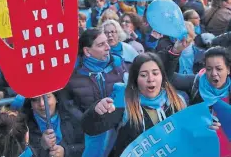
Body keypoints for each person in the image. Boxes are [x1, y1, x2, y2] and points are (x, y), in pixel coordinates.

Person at [82, 52, 220, 156]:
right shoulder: (121, 104)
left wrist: (206, 126)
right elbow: (90, 128)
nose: (150, 79)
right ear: (135, 79)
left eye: (155, 73)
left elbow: (188, 136)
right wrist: (96, 112)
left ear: (162, 76)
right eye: (143, 75)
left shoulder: (178, 101)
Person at [167, 46, 231, 157]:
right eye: (209, 69)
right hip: (201, 150)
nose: (213, 73)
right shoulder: (195, 82)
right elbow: (168, 78)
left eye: (219, 69)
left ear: (228, 69)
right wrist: (175, 52)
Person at [60, 28, 128, 122]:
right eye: (101, 45)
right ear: (87, 51)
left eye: (107, 42)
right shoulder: (72, 74)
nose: (108, 47)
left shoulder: (118, 63)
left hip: (119, 127)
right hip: (89, 131)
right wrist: (88, 122)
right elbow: (68, 106)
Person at [23, 92, 84, 157]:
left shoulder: (74, 116)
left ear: (56, 98)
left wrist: (66, 151)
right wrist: (42, 147)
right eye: (35, 99)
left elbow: (87, 146)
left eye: (47, 97)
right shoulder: (24, 126)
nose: (42, 104)